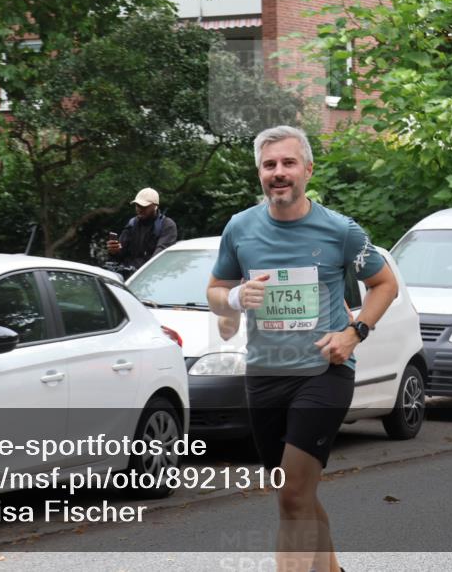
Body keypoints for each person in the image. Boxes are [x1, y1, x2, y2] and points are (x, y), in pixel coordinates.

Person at [207, 126, 398, 572]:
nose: (279, 173)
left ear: (307, 170)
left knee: (293, 495)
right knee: (297, 493)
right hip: (265, 374)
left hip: (323, 372)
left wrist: (354, 333)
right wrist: (235, 299)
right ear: (259, 173)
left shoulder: (339, 230)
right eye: (270, 165)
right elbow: (216, 290)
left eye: (288, 163)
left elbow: (383, 283)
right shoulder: (240, 229)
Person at [106, 187, 177, 273]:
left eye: (144, 206)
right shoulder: (132, 223)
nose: (139, 209)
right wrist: (114, 251)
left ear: (155, 206)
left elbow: (159, 256)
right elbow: (120, 254)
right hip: (127, 275)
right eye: (137, 205)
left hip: (151, 276)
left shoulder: (167, 225)